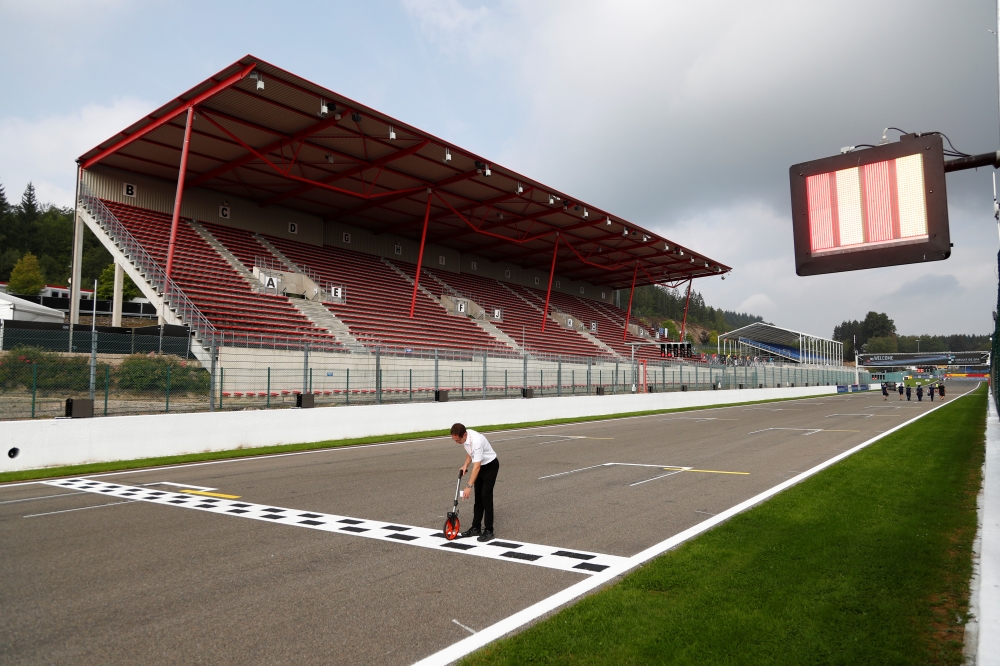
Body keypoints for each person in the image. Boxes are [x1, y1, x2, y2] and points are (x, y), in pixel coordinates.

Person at [451, 423, 500, 542]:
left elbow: (477, 467)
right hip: (480, 466)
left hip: (490, 467)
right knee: (478, 498)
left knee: (486, 497)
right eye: (455, 440)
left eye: (458, 440)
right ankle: (476, 527)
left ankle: (489, 530)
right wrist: (465, 465)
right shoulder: (467, 438)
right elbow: (470, 452)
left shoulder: (476, 441)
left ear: (464, 434)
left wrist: (468, 486)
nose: (457, 442)